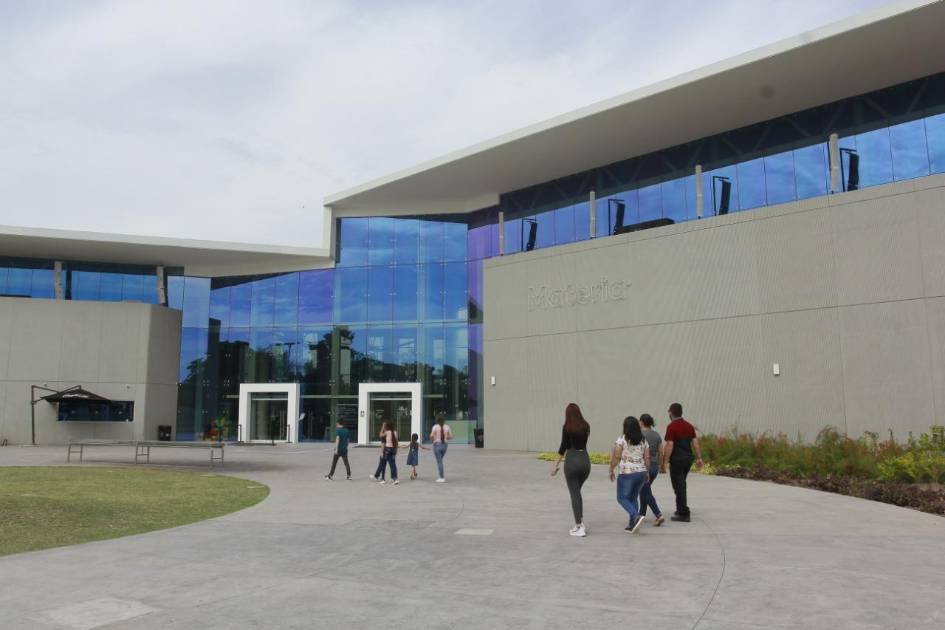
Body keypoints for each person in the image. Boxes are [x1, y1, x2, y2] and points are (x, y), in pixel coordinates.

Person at [551, 403, 591, 537]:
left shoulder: (567, 427)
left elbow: (563, 446)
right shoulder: (586, 426)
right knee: (577, 492)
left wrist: (555, 465)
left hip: (572, 461)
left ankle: (579, 526)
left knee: (574, 493)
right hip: (585, 461)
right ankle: (580, 522)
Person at [661, 402, 704, 522]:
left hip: (677, 460)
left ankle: (683, 513)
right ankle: (680, 509)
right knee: (681, 484)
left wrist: (665, 462)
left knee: (679, 486)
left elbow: (669, 445)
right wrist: (699, 458)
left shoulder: (671, 427)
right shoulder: (689, 426)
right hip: (687, 460)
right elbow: (695, 443)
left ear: (671, 413)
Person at [610, 416, 650, 534]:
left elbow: (617, 456)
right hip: (641, 473)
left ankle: (635, 516)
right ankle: (632, 525)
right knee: (633, 498)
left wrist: (611, 469)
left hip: (627, 473)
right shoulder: (643, 440)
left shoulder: (622, 439)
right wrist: (647, 472)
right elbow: (647, 457)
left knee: (622, 498)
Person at [638, 414, 664, 525]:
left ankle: (658, 514)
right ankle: (641, 514)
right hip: (654, 467)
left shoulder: (639, 435)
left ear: (642, 422)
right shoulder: (656, 435)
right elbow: (661, 452)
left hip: (644, 466)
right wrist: (661, 465)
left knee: (645, 491)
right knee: (644, 490)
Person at [374, 421, 399, 485]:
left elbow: (380, 435)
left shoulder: (387, 432)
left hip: (387, 449)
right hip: (393, 449)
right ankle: (395, 479)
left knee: (383, 463)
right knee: (393, 465)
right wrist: (396, 452)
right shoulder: (395, 432)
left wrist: (382, 427)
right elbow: (397, 443)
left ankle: (382, 478)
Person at [430, 413, 452, 483]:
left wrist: (432, 441)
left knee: (439, 462)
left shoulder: (435, 427)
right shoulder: (447, 427)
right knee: (440, 461)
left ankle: (441, 477)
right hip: (445, 445)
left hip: (437, 445)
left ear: (437, 420)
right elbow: (451, 436)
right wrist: (445, 437)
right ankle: (441, 475)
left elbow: (431, 436)